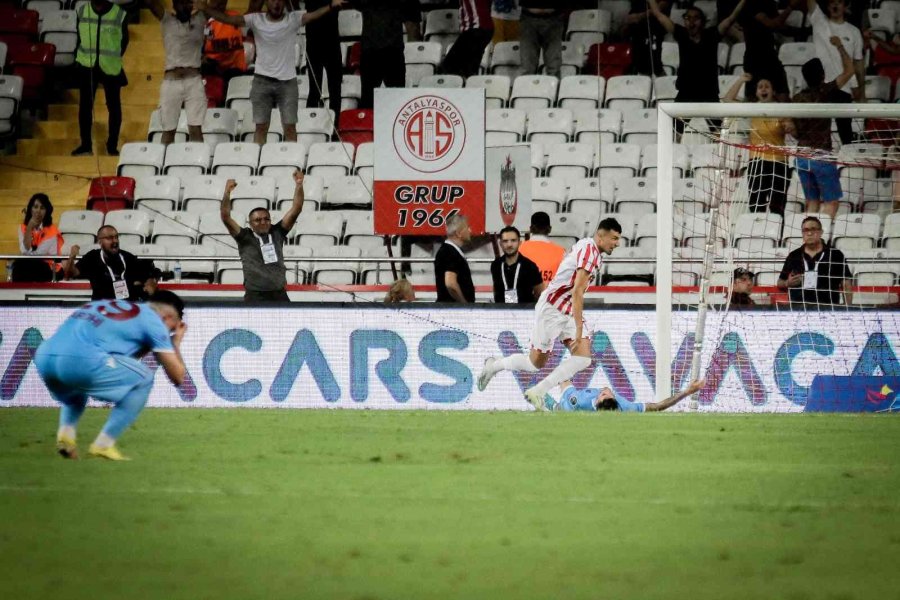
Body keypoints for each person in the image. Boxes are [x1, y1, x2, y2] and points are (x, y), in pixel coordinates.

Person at [477, 218, 623, 410]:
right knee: (534, 363)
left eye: (618, 239)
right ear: (601, 235)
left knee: (584, 358)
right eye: (614, 238)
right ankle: (493, 366)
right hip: (552, 309)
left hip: (566, 309)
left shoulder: (589, 247)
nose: (617, 243)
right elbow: (577, 291)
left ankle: (537, 391)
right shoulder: (590, 251)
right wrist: (579, 329)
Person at [34, 291, 188, 460]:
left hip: (44, 357)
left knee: (75, 393)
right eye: (171, 329)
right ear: (167, 317)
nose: (169, 333)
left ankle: (66, 437)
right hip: (80, 362)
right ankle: (103, 445)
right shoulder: (154, 321)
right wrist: (175, 342)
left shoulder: (107, 306)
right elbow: (178, 377)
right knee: (145, 378)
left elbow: (122, 359)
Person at [195, 0, 347, 144]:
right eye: (273, 0)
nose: (276, 3)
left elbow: (314, 14)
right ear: (266, 2)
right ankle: (258, 163)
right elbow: (228, 19)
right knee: (260, 128)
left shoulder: (293, 18)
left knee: (290, 128)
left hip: (288, 84)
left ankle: (292, 165)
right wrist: (205, 8)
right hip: (262, 82)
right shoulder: (255, 19)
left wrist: (330, 6)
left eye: (280, 0)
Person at [648, 0, 745, 138]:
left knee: (718, 134)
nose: (691, 22)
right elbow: (659, 15)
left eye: (696, 18)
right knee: (674, 133)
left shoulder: (711, 35)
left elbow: (731, 18)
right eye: (687, 18)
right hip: (686, 92)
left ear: (703, 21)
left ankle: (717, 159)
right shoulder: (681, 34)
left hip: (708, 91)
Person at [785, 38, 855, 220]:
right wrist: (840, 46)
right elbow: (850, 71)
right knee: (831, 202)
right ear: (823, 75)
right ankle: (819, 239)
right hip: (821, 154)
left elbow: (793, 131)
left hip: (801, 156)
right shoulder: (826, 91)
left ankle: (807, 237)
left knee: (812, 202)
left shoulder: (797, 98)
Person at [221, 169, 305, 301]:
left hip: (279, 294)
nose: (263, 222)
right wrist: (227, 193)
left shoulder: (278, 232)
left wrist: (299, 184)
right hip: (255, 295)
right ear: (250, 223)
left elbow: (297, 208)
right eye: (258, 220)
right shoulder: (244, 236)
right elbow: (226, 217)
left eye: (267, 219)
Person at [723, 72, 790, 216]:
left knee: (777, 207)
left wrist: (789, 126)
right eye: (760, 87)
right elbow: (728, 99)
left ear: (773, 91)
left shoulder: (782, 109)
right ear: (756, 92)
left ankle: (776, 236)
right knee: (756, 205)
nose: (764, 89)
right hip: (757, 162)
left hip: (779, 163)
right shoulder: (751, 109)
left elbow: (794, 131)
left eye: (767, 86)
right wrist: (740, 80)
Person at [71, 0, 129, 157]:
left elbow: (124, 41)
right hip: (86, 64)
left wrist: (112, 56)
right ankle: (85, 145)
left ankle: (112, 146)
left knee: (114, 107)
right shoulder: (82, 11)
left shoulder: (119, 13)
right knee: (85, 106)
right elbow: (79, 36)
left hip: (110, 64)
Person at [147, 0, 207, 146]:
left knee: (196, 129)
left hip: (194, 81)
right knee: (168, 131)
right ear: (174, 5)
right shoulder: (166, 20)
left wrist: (203, 6)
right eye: (182, 3)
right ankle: (164, 167)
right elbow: (151, 3)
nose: (185, 6)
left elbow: (217, 4)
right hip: (170, 81)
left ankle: (197, 165)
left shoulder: (200, 19)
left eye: (188, 3)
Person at [807, 0, 865, 144]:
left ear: (846, 6)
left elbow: (858, 63)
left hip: (844, 88)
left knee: (845, 134)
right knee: (820, 132)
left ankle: (847, 163)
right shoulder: (820, 22)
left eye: (839, 2)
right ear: (827, 6)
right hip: (822, 88)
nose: (835, 5)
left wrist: (861, 91)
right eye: (831, 2)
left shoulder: (854, 31)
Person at [354, 0, 422, 110]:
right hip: (371, 52)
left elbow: (413, 26)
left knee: (396, 102)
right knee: (369, 102)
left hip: (392, 52)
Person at [63, 225, 159, 301]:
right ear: (100, 241)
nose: (115, 241)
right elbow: (69, 274)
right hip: (102, 309)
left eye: (116, 237)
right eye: (109, 238)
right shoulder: (92, 257)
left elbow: (149, 272)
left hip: (126, 308)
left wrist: (151, 282)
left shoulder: (127, 257)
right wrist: (72, 257)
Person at [777, 215, 853, 307]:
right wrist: (787, 283)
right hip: (798, 309)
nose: (809, 233)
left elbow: (846, 283)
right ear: (802, 233)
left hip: (828, 309)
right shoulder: (794, 255)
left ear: (821, 232)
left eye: (813, 229)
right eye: (806, 230)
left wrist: (847, 307)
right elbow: (780, 282)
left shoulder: (835, 254)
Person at [738, 0, 797, 100]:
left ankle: (784, 116)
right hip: (754, 59)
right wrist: (791, 7)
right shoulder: (749, 4)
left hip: (770, 56)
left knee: (783, 95)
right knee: (753, 99)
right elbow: (772, 24)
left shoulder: (770, 3)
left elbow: (780, 25)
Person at [550, 378, 705, 412]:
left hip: (564, 407)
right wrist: (686, 391)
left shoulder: (580, 401)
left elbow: (564, 383)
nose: (605, 390)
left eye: (604, 393)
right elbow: (659, 406)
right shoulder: (626, 407)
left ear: (597, 400)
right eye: (605, 393)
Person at [304, 0, 343, 120]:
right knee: (315, 90)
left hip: (331, 42)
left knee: (335, 90)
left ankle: (335, 126)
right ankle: (310, 124)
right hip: (314, 43)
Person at [13, 193, 64, 283]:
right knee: (18, 266)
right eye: (35, 207)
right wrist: (29, 228)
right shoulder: (23, 227)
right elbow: (24, 250)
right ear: (30, 209)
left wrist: (27, 254)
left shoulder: (52, 230)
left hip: (50, 267)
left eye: (42, 208)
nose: (38, 211)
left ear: (46, 211)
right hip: (31, 263)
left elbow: (38, 254)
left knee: (30, 265)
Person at [441, 0, 494, 79]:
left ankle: (467, 85)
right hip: (479, 29)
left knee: (449, 67)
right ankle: (469, 85)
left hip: (477, 29)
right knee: (466, 69)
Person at [491, 225, 543, 304]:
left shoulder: (530, 266)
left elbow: (539, 293)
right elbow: (496, 290)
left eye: (513, 240)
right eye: (505, 241)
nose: (509, 244)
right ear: (500, 243)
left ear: (519, 242)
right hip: (501, 312)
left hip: (524, 312)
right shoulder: (496, 265)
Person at [201, 0, 247, 82]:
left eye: (223, 2)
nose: (220, 5)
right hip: (212, 70)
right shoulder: (202, 21)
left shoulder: (234, 16)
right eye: (217, 2)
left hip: (235, 70)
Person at [518, 1, 568, 78]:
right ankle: (527, 89)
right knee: (527, 67)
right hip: (528, 19)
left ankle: (555, 88)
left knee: (554, 65)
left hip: (554, 18)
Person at [434, 214, 475, 303]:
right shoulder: (449, 252)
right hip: (453, 311)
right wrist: (464, 305)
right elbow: (450, 284)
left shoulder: (449, 251)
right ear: (458, 233)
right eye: (467, 228)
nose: (470, 230)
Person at [624, 0, 669, 76]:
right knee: (642, 69)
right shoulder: (638, 3)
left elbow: (657, 10)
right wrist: (644, 15)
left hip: (656, 35)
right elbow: (628, 19)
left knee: (657, 67)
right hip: (639, 37)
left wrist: (640, 16)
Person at [518, 211, 565, 284]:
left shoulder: (518, 249)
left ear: (530, 229)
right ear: (549, 229)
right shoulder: (561, 252)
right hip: (550, 293)